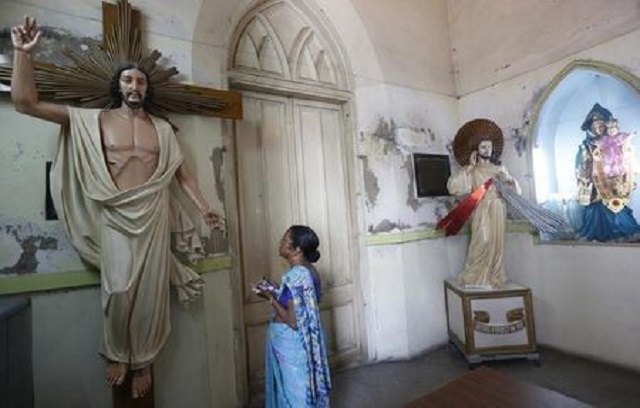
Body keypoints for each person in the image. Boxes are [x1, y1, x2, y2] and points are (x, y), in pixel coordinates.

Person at [10, 17, 223, 398]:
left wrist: (204, 207)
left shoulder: (161, 129)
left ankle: (142, 360)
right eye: (128, 80)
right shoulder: (94, 122)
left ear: (147, 87)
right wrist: (24, 54)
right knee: (120, 289)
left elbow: (182, 175)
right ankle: (118, 351)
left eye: (140, 81)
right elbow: (26, 103)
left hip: (155, 213)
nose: (134, 85)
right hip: (117, 215)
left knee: (153, 293)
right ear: (118, 85)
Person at [254, 225, 331, 407]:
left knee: (294, 391)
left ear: (297, 249)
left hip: (292, 342)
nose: (280, 243)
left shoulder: (296, 275)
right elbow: (299, 304)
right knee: (299, 387)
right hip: (299, 343)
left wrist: (270, 298)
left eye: (285, 240)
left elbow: (294, 321)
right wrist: (277, 290)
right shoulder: (310, 271)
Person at [446, 119, 521, 288]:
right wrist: (467, 168)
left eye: (489, 146)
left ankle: (494, 276)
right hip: (480, 208)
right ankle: (474, 276)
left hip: (498, 208)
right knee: (483, 240)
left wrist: (509, 180)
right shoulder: (473, 171)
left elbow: (517, 193)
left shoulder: (500, 169)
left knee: (496, 243)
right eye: (483, 147)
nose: (488, 150)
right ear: (476, 151)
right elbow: (454, 188)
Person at [575, 103, 640, 241]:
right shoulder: (585, 145)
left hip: (612, 180)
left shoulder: (615, 141)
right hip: (594, 181)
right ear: (591, 128)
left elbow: (625, 157)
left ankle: (622, 232)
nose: (598, 129)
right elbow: (580, 164)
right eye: (595, 126)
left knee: (616, 205)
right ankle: (597, 234)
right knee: (596, 208)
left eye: (601, 126)